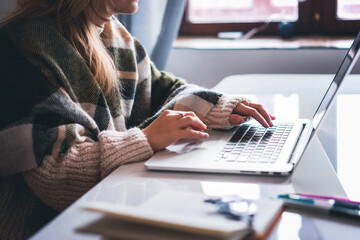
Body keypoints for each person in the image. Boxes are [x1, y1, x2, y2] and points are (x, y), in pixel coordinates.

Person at [0, 0, 275, 238]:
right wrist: (145, 139)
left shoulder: (115, 36)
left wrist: (221, 107)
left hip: (101, 217)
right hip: (43, 230)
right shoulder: (20, 46)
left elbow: (164, 90)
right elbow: (58, 174)